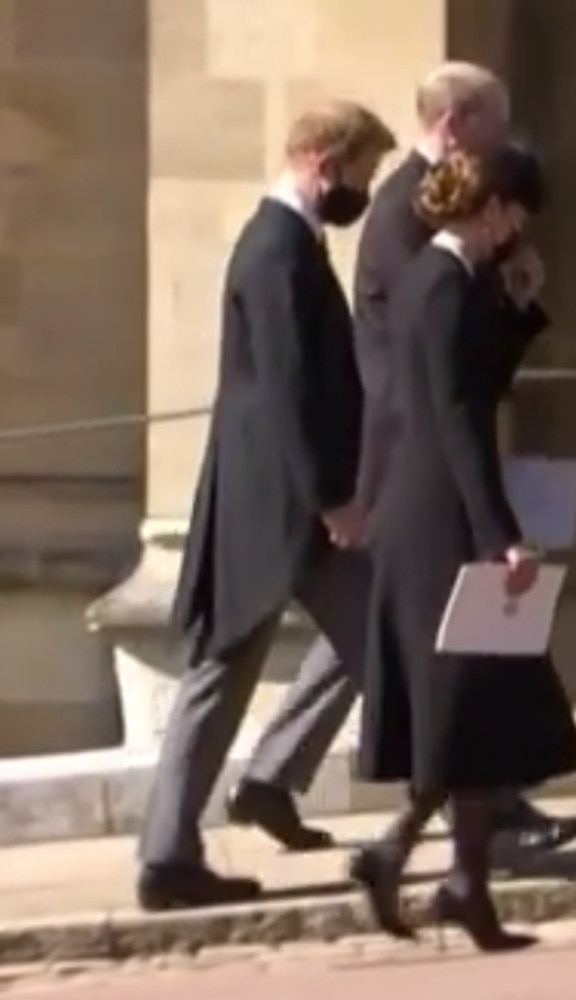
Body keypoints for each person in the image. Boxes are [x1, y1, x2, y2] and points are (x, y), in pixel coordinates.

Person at [227, 61, 576, 854]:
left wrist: (517, 304)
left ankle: (285, 778)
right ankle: (478, 810)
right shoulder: (407, 218)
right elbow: (428, 365)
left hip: (418, 452)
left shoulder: (446, 219)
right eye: (493, 128)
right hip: (409, 455)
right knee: (436, 641)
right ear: (456, 124)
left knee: (384, 632)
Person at [136, 99, 396, 911]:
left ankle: (241, 803)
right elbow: (286, 393)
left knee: (384, 638)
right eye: (360, 173)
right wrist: (334, 498)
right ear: (323, 161)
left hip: (290, 504)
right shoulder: (276, 251)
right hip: (281, 506)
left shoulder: (286, 245)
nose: (362, 190)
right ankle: (167, 854)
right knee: (226, 672)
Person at [352, 147, 576, 949]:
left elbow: (476, 383)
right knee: (468, 695)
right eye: (515, 216)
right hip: (444, 515)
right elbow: (460, 421)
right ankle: (422, 865)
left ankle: (456, 881)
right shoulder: (445, 286)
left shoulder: (441, 280)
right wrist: (500, 537)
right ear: (492, 209)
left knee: (479, 703)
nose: (518, 232)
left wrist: (521, 309)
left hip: (430, 507)